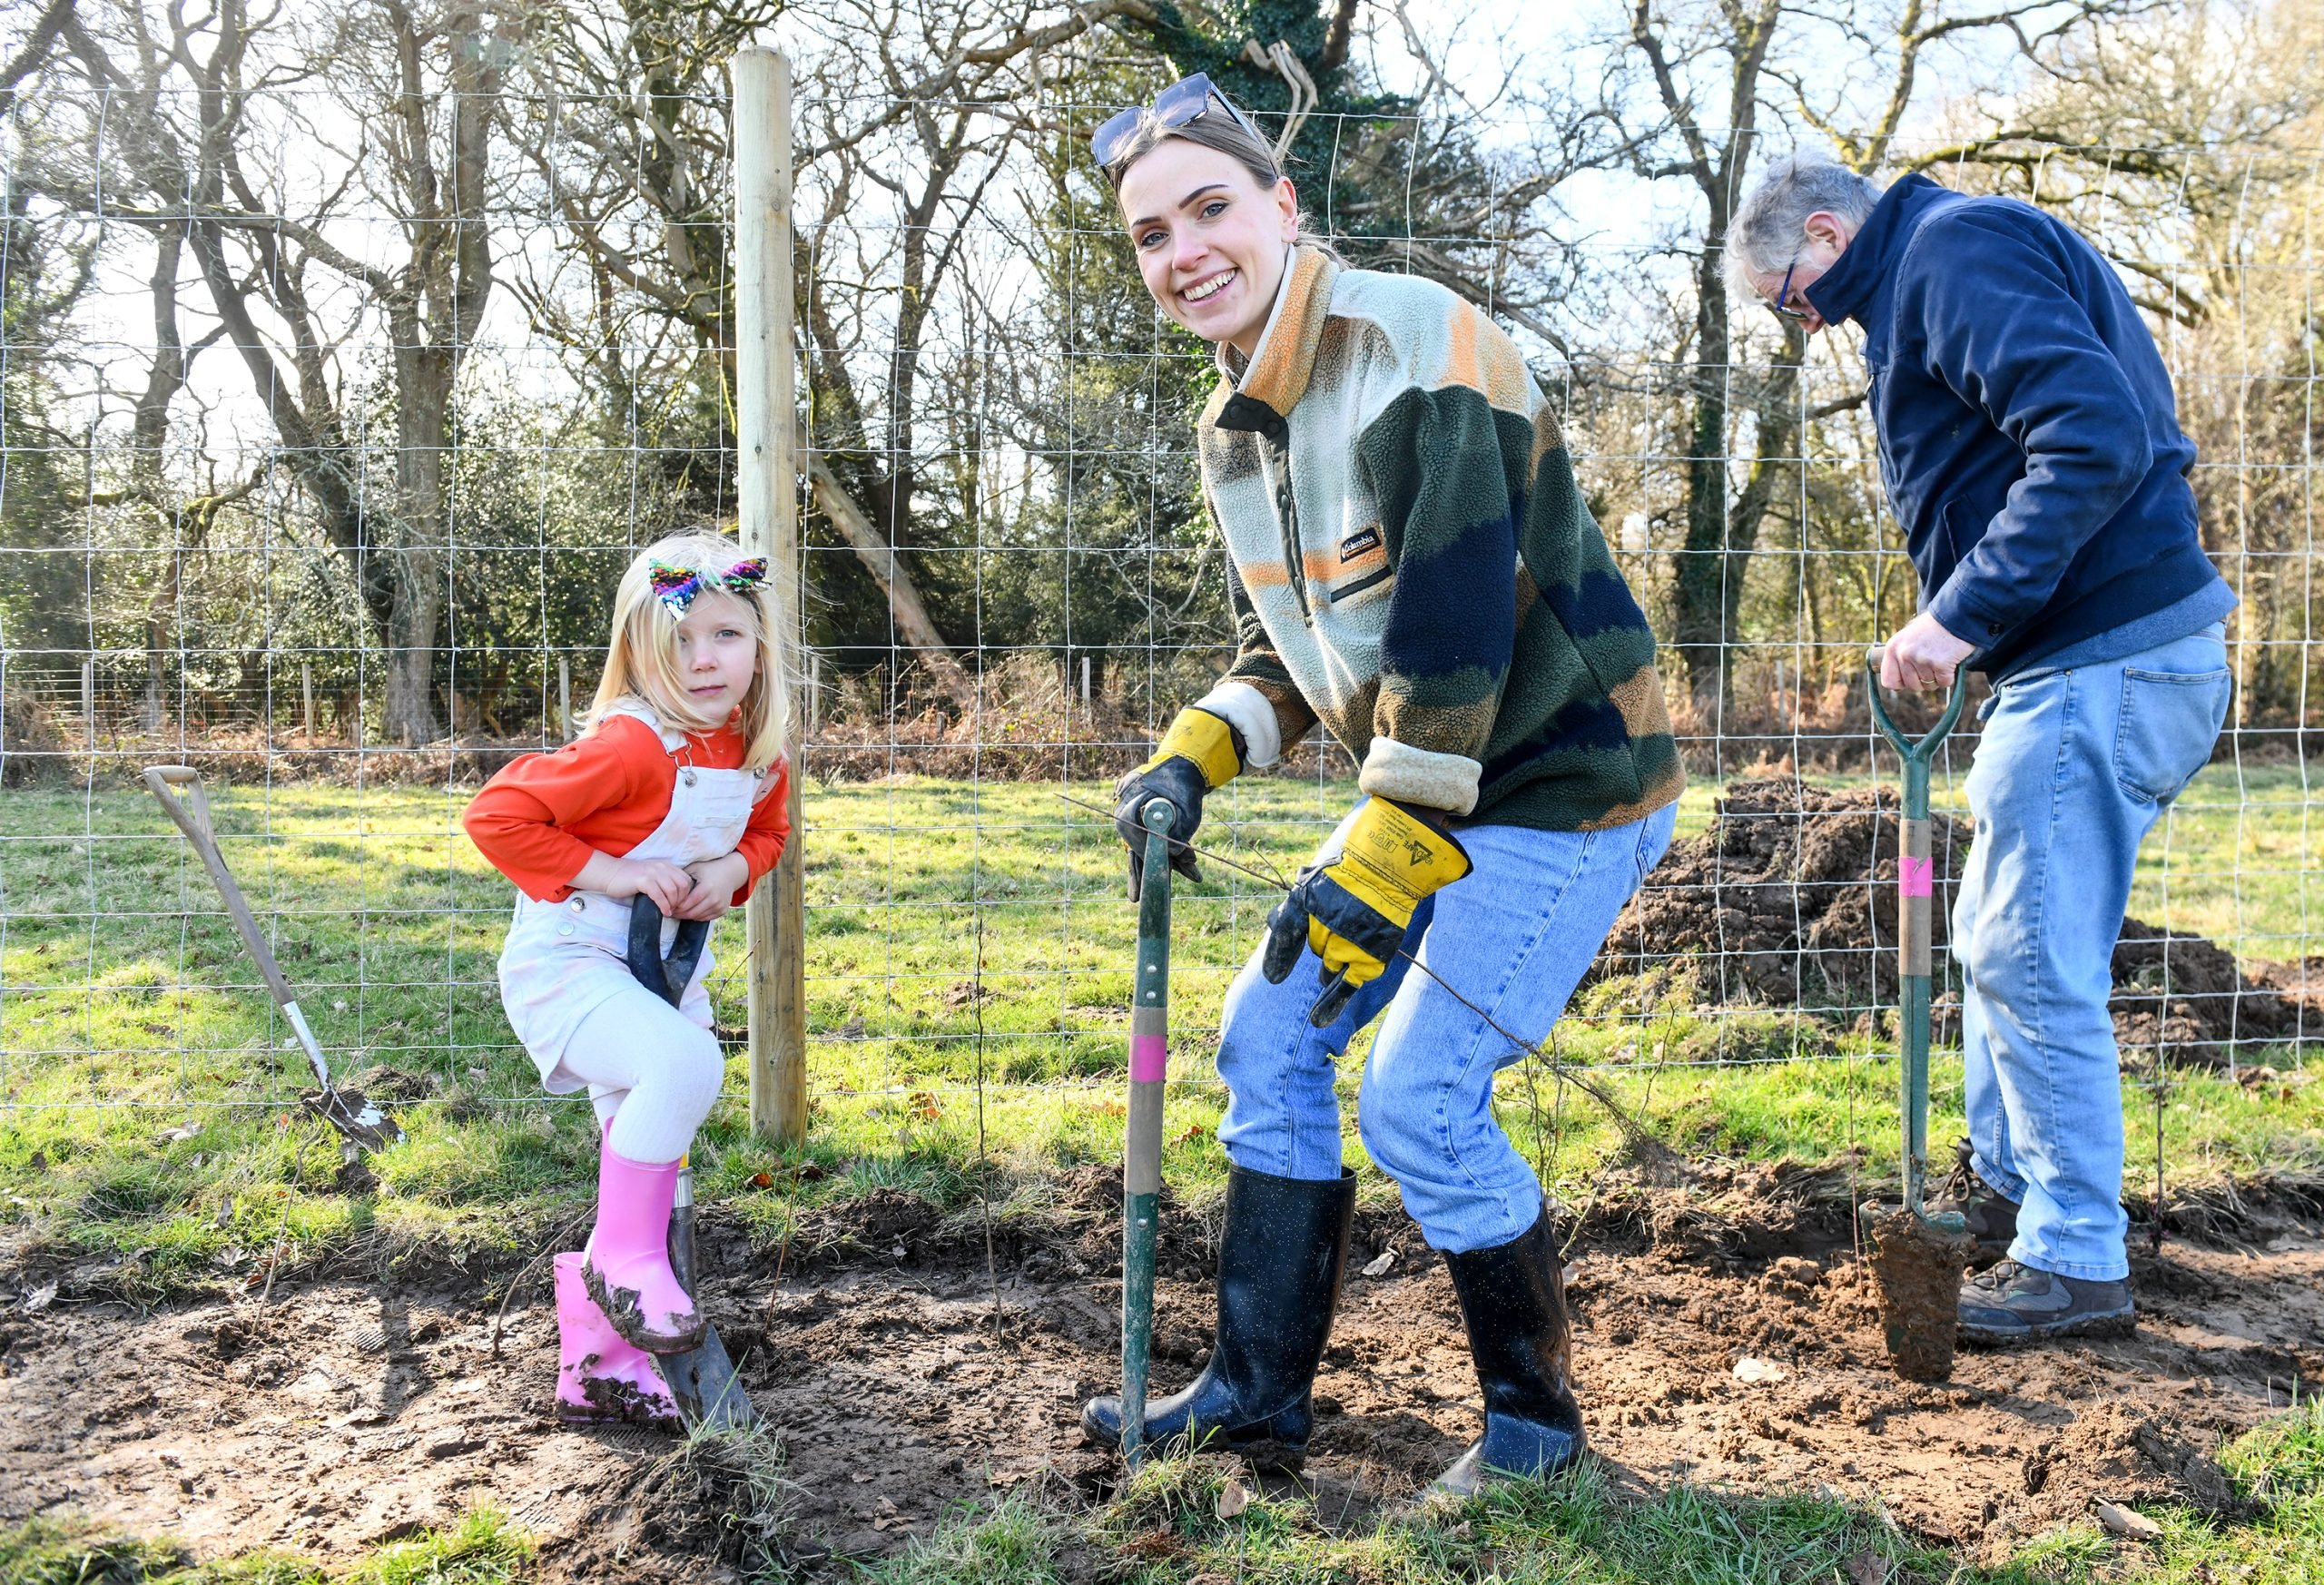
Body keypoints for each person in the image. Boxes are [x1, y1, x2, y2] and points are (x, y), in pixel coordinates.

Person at [1078, 75, 1684, 1495]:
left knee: (1421, 1093)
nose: (1186, 254)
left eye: (1210, 209)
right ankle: (1252, 1394)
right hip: (1433, 787)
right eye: (1152, 235)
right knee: (1266, 1033)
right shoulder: (1236, 423)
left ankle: (1536, 1435)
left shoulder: (1417, 348)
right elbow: (1290, 640)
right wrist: (1196, 753)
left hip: (1562, 779)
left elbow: (1454, 635)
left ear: (1285, 206)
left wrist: (1382, 852)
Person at [1728, 156, 2235, 1344]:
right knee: (2002, 933)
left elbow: (2093, 435)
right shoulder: (1929, 271)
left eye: (1791, 298)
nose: (1801, 325)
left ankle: (2072, 1255)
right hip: (2081, 659)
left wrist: (1955, 618)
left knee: (2023, 946)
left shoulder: (1951, 253)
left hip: (2101, 654)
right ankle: (2008, 1186)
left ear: (1823, 230)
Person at [464, 532, 793, 1425]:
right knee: (686, 1071)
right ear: (638, 655)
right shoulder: (631, 747)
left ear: (759, 644)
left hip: (665, 969)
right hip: (573, 964)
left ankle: (610, 1376)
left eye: (724, 636)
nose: (702, 661)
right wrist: (609, 874)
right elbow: (498, 816)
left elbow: (765, 833)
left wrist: (732, 875)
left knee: (648, 1152)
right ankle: (622, 1260)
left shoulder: (752, 753)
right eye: (677, 643)